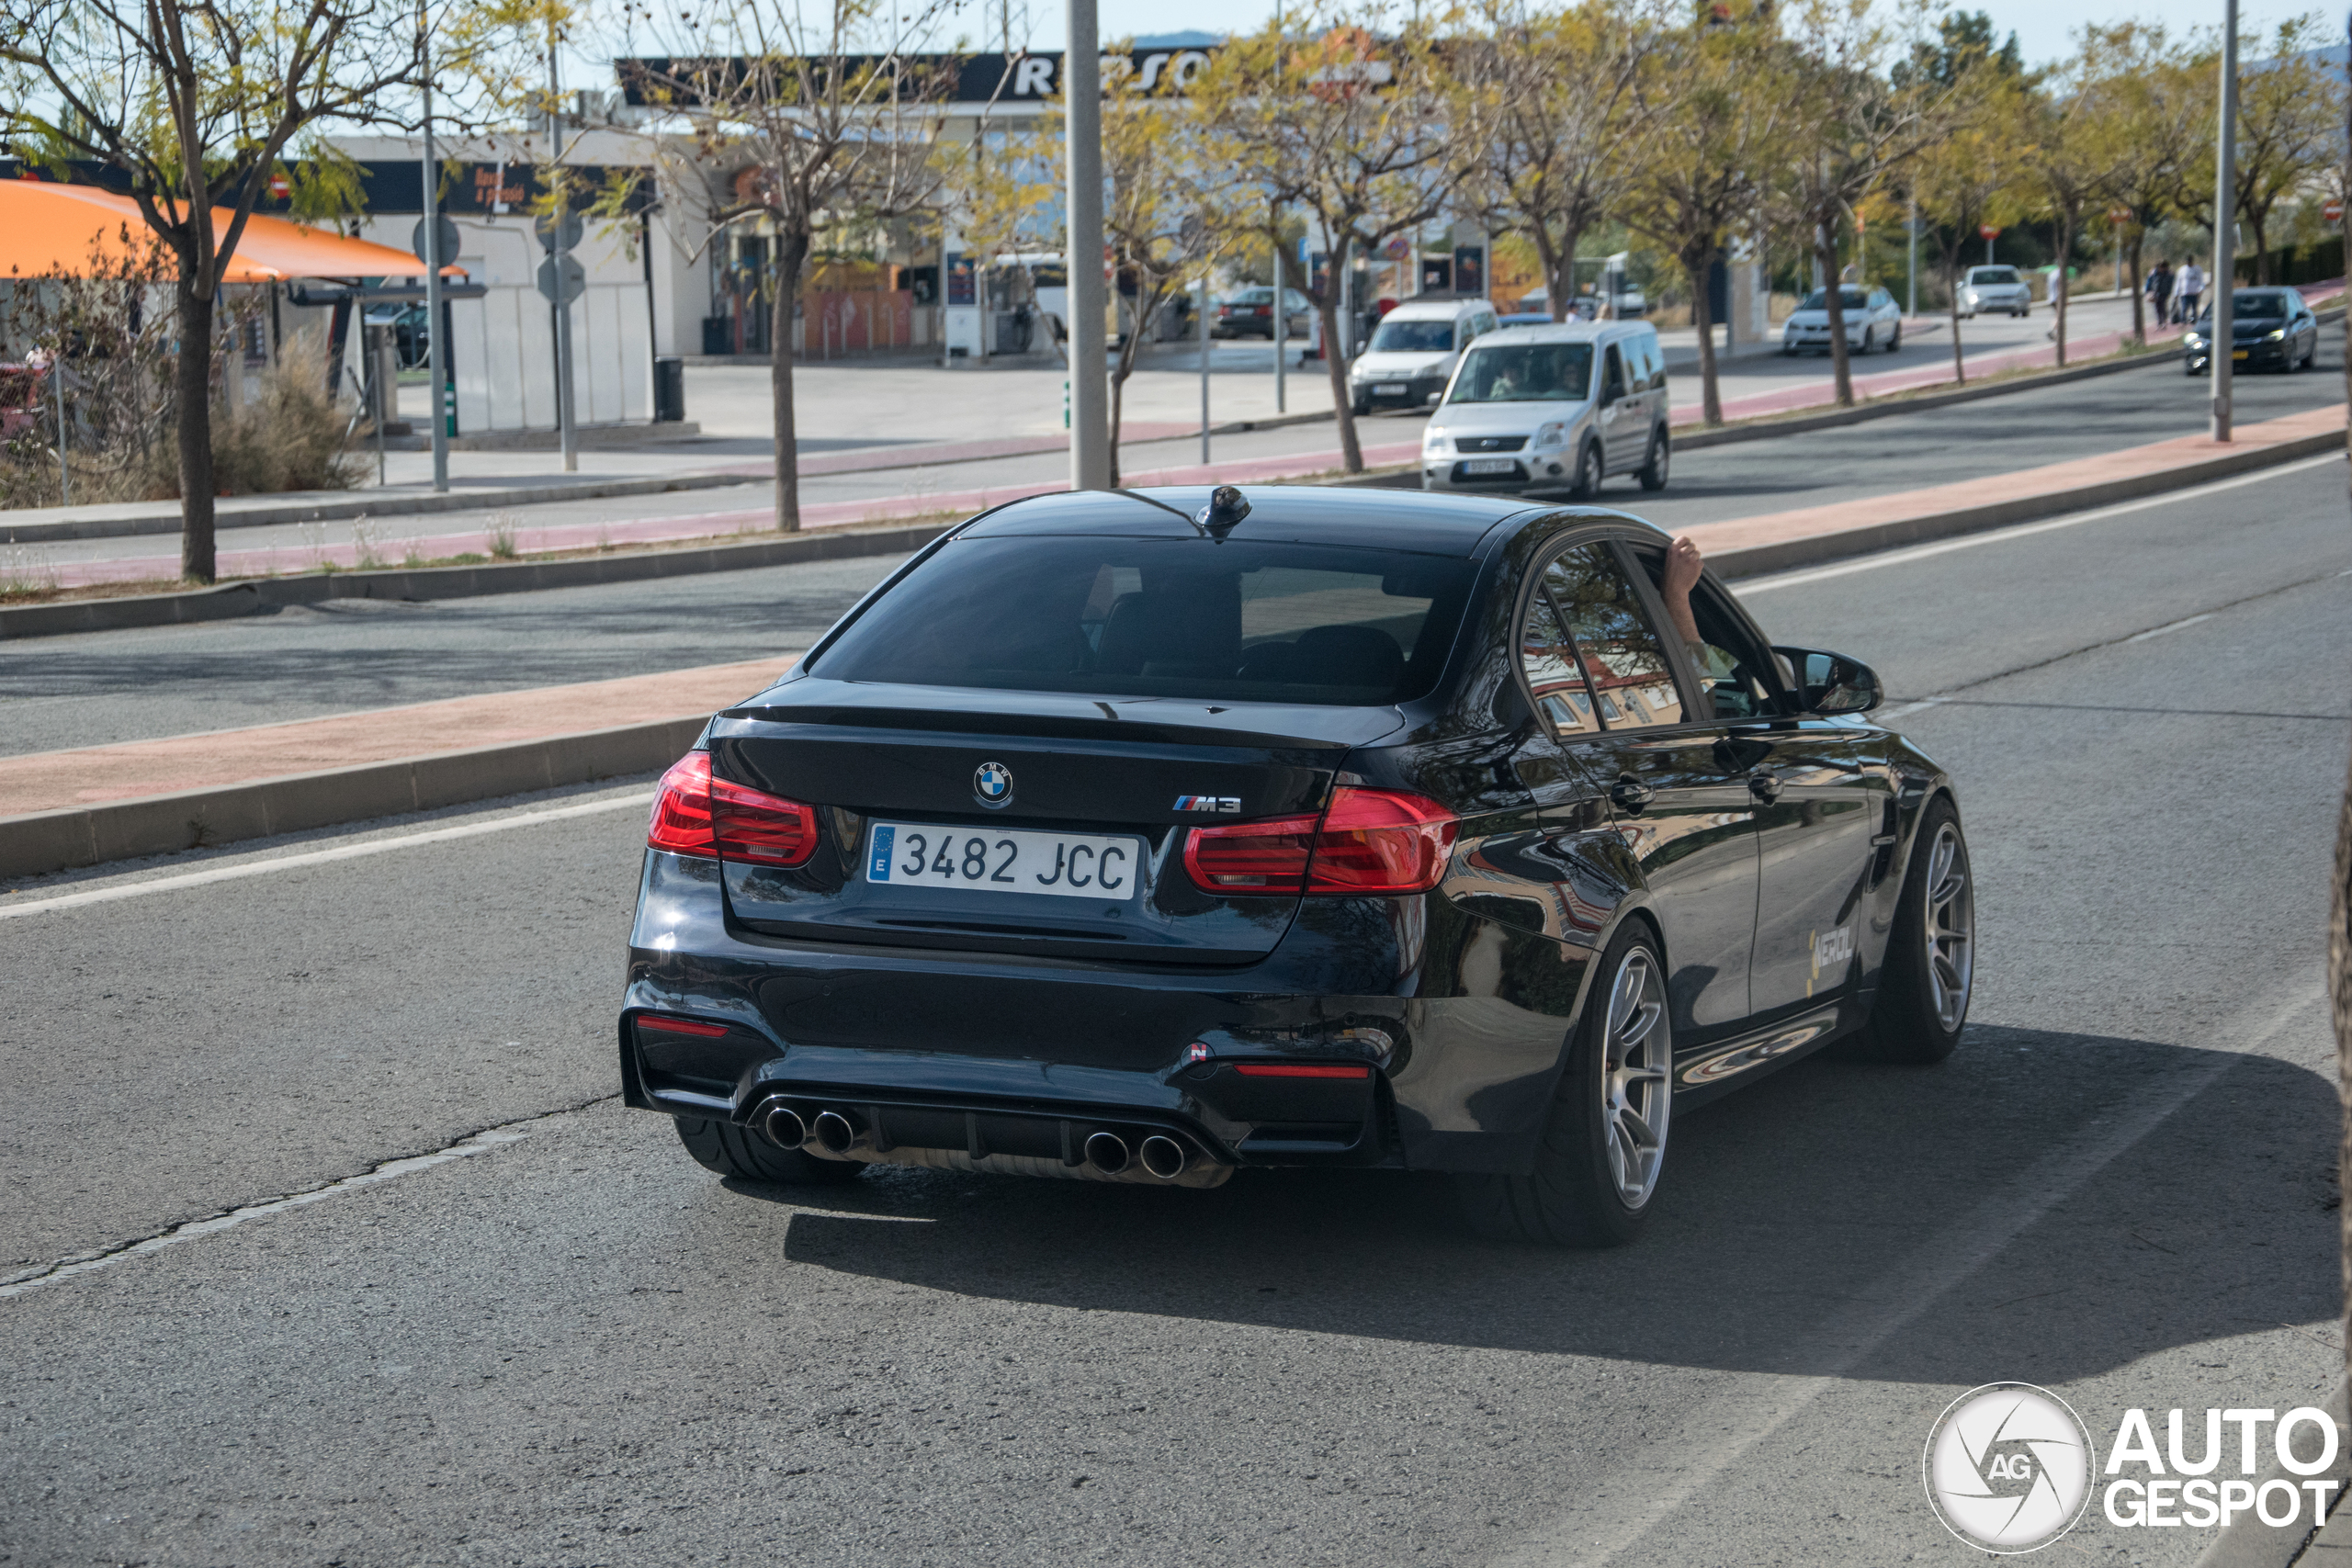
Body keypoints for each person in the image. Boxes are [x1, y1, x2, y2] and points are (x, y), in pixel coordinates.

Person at [2146, 260, 2174, 327]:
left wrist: (2168, 292)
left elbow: (2170, 284)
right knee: (2157, 307)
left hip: (2164, 293)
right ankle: (2160, 321)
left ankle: (2164, 320)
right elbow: (2149, 282)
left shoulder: (2168, 274)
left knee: (2163, 306)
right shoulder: (2154, 274)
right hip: (2156, 293)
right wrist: (2148, 291)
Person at [2177, 258, 2204, 326]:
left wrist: (2201, 289)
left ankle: (2194, 321)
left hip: (2194, 293)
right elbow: (2178, 282)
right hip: (2185, 293)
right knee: (2184, 308)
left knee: (2194, 308)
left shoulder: (2197, 269)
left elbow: (2201, 280)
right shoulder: (2182, 270)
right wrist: (2176, 292)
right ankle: (2183, 322)